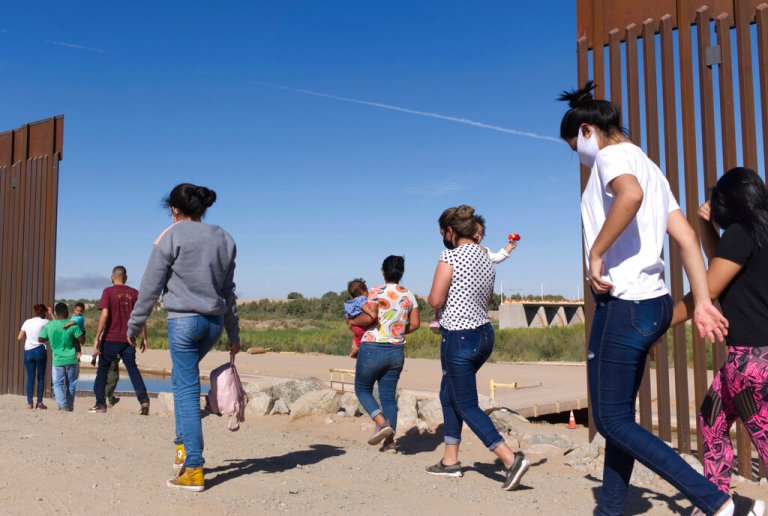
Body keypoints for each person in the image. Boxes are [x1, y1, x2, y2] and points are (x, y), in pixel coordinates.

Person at [559, 81, 763, 515]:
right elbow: (688, 236)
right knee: (620, 419)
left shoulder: (613, 157)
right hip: (652, 305)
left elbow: (628, 196)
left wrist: (595, 252)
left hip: (623, 304)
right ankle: (610, 508)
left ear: (587, 132)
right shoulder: (651, 167)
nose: (576, 154)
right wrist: (704, 300)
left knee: (611, 420)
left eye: (572, 144)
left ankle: (716, 500)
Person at [126, 183, 240, 492]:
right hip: (213, 324)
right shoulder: (224, 238)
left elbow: (150, 287)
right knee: (181, 380)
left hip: (184, 324)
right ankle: (180, 450)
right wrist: (233, 332)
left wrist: (134, 326)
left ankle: (193, 468)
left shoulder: (171, 236)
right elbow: (228, 293)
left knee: (187, 391)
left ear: (175, 209)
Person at [669, 168, 768, 505]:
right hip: (750, 359)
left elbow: (708, 287)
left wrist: (659, 323)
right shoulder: (756, 232)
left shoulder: (743, 232)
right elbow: (722, 265)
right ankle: (717, 501)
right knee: (711, 421)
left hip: (750, 362)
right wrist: (705, 226)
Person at [425, 205, 529, 491]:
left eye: (443, 232)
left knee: (466, 404)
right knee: (448, 395)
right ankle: (450, 461)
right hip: (484, 335)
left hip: (458, 336)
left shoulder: (450, 255)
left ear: (451, 231)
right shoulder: (486, 257)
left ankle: (510, 459)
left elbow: (435, 300)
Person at [349, 255, 419, 453]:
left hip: (373, 347)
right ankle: (390, 443)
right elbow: (415, 324)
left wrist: (353, 322)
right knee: (388, 397)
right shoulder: (409, 295)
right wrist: (397, 332)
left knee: (362, 389)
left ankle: (380, 421)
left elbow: (367, 317)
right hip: (396, 351)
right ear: (401, 273)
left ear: (382, 271)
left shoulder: (375, 292)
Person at [430, 223, 518, 333]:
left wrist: (509, 248)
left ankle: (439, 320)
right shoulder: (454, 253)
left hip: (461, 325)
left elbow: (497, 257)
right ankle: (438, 319)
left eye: (481, 234)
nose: (478, 236)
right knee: (444, 294)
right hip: (478, 325)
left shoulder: (483, 252)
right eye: (475, 233)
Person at [91, 266, 150, 414]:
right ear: (126, 277)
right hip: (129, 339)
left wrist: (97, 337)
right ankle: (143, 401)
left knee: (103, 371)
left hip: (110, 338)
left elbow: (104, 315)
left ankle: (100, 404)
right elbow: (141, 316)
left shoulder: (108, 292)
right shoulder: (134, 293)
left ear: (112, 277)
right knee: (133, 370)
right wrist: (145, 338)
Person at [39, 302, 84, 411]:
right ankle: (69, 406)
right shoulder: (73, 325)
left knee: (57, 383)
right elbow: (81, 340)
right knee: (71, 384)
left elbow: (40, 339)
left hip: (58, 360)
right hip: (72, 359)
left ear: (55, 312)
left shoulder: (49, 325)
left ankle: (62, 406)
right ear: (66, 312)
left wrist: (51, 337)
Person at [17, 304, 52, 409]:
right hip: (40, 350)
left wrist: (30, 336)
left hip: (28, 351)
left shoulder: (27, 322)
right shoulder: (46, 322)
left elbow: (19, 337)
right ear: (45, 312)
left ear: (35, 312)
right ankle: (40, 403)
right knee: (41, 377)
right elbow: (57, 325)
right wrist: (51, 314)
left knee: (30, 378)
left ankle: (29, 403)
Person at [343, 278, 376, 358]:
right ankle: (353, 353)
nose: (368, 292)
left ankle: (355, 349)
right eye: (366, 289)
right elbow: (364, 306)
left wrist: (349, 323)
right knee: (363, 340)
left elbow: (346, 316)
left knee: (357, 338)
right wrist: (372, 313)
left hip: (355, 327)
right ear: (362, 291)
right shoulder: (362, 299)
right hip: (361, 326)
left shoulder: (351, 303)